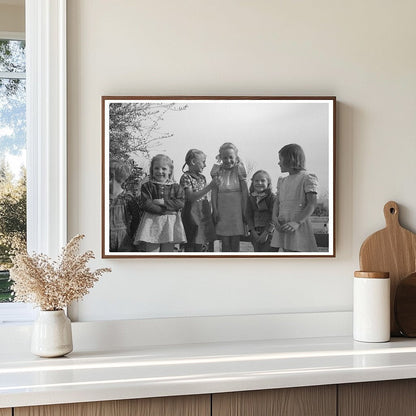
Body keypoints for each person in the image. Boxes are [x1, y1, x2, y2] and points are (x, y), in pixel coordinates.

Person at [271, 143, 318, 252]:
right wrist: (274, 218)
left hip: (298, 225)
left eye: (280, 159)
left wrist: (296, 222)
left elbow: (312, 204)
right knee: (287, 254)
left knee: (299, 256)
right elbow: (277, 202)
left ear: (290, 159)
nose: (278, 163)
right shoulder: (282, 181)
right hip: (283, 224)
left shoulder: (307, 178)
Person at [134, 154, 186, 252]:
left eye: (164, 169)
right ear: (152, 170)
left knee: (167, 252)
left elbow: (180, 203)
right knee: (152, 251)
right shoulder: (147, 186)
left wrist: (163, 202)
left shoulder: (176, 187)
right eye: (156, 168)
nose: (160, 171)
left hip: (170, 223)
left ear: (170, 170)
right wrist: (165, 211)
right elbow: (146, 204)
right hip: (152, 222)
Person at [211, 142, 248, 252]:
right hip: (223, 210)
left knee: (235, 241)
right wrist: (215, 209)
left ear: (236, 157)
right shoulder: (217, 171)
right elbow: (214, 192)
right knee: (225, 242)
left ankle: (235, 264)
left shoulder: (239, 170)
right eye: (225, 158)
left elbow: (245, 192)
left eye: (231, 157)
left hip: (236, 211)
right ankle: (224, 264)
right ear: (221, 158)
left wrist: (245, 210)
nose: (228, 160)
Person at [180, 149, 218, 252]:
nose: (205, 165)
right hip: (191, 214)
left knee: (201, 242)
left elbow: (206, 196)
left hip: (203, 213)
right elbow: (190, 197)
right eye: (203, 161)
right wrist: (210, 186)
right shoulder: (186, 177)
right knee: (191, 242)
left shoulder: (203, 178)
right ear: (193, 162)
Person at [109, 159, 140, 252]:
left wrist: (131, 235)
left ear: (111, 177)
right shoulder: (101, 197)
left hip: (123, 240)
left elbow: (136, 219)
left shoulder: (127, 198)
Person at [246, 170, 277, 252]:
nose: (259, 183)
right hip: (255, 231)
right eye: (256, 180)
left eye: (263, 180)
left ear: (268, 183)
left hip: (269, 232)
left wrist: (267, 232)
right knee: (257, 253)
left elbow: (274, 216)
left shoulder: (272, 198)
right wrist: (252, 231)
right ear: (252, 182)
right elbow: (248, 215)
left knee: (268, 254)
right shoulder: (251, 198)